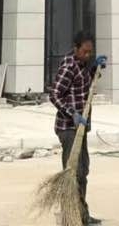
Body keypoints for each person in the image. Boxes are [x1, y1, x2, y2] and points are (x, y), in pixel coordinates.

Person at [49, 31, 108, 226]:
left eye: (91, 52)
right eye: (85, 52)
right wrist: (71, 113)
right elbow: (54, 95)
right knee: (73, 174)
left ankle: (81, 215)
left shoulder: (83, 65)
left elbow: (82, 86)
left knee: (83, 171)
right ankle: (70, 217)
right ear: (76, 48)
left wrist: (95, 68)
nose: (88, 55)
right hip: (68, 128)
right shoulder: (69, 66)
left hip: (80, 129)